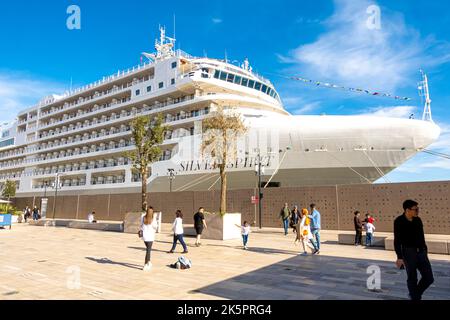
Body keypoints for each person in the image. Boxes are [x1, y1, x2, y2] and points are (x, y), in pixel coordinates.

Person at [394, 200, 434, 301]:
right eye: (415, 209)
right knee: (412, 278)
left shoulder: (418, 220)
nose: (417, 211)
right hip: (408, 253)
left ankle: (414, 295)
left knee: (429, 278)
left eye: (418, 209)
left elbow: (422, 236)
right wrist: (399, 257)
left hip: (421, 252)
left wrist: (425, 250)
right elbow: (397, 240)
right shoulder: (399, 221)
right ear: (407, 210)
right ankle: (416, 297)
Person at [140, 207, 158, 271]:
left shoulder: (143, 217)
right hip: (150, 237)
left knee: (148, 249)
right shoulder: (153, 219)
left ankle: (149, 262)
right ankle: (145, 264)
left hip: (144, 236)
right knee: (148, 250)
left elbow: (141, 225)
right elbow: (155, 226)